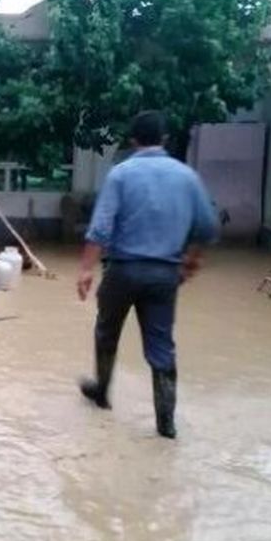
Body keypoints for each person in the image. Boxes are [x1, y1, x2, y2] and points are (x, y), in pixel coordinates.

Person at [75, 110, 220, 439]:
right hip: (164, 275)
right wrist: (190, 263)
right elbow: (208, 228)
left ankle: (101, 392)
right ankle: (166, 424)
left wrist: (86, 270)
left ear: (133, 140)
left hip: (122, 271)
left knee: (106, 331)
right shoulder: (187, 176)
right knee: (161, 346)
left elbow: (100, 229)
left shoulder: (120, 175)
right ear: (165, 139)